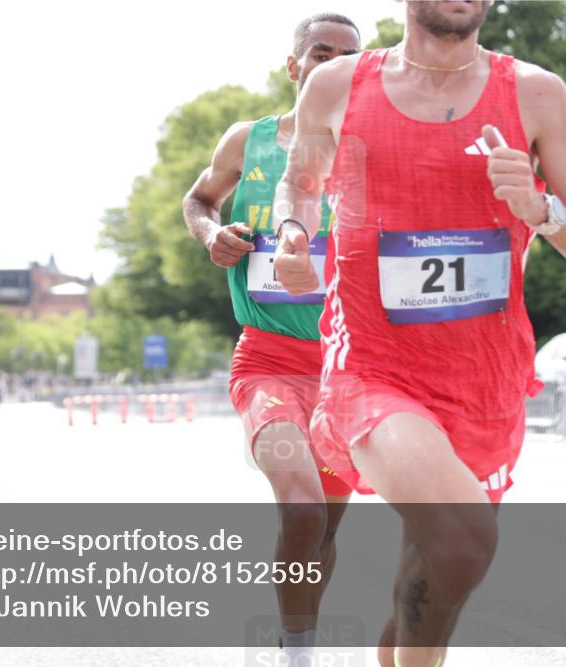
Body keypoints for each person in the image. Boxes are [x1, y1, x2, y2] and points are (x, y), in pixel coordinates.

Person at [271, 1, 566, 665]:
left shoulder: (537, 95)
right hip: (374, 371)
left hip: (486, 386)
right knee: (465, 538)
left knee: (435, 583)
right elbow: (299, 184)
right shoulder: (338, 85)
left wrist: (541, 209)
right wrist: (294, 234)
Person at [182, 12, 361, 665]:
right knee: (303, 511)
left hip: (349, 366)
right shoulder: (249, 140)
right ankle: (298, 657)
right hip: (268, 359)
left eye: (348, 54)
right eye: (321, 51)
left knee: (326, 526)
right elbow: (199, 200)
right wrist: (213, 236)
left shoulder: (376, 148)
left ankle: (300, 634)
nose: (334, 62)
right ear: (295, 66)